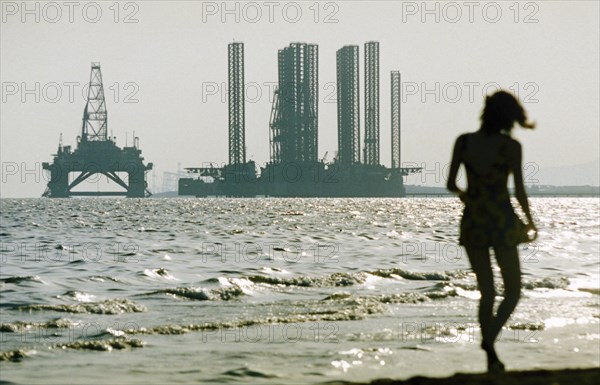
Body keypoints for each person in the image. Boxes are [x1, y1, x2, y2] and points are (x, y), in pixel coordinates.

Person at [446, 90, 537, 373]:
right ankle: (489, 340)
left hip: (473, 219)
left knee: (486, 292)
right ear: (510, 117)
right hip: (501, 220)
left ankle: (491, 357)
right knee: (512, 291)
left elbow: (451, 183)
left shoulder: (464, 141)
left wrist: (467, 196)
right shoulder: (511, 146)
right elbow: (518, 189)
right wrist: (530, 220)